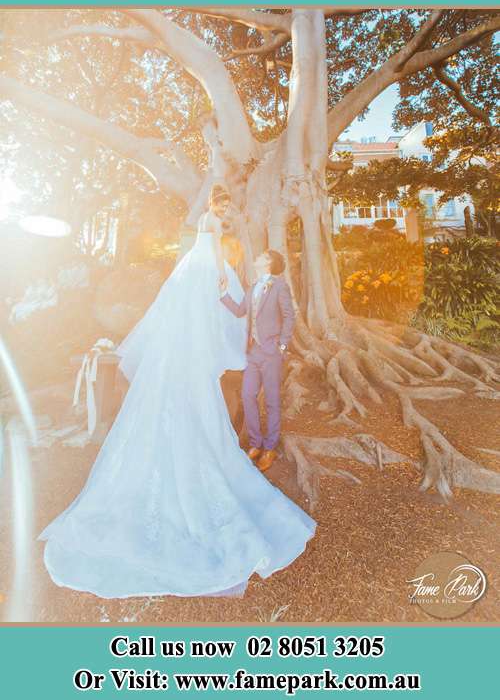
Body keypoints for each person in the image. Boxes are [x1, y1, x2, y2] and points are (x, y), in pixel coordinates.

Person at [37, 186, 316, 599]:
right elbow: (217, 259)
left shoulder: (196, 256)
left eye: (225, 206)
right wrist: (223, 273)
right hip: (204, 284)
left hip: (197, 302)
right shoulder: (209, 234)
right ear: (214, 206)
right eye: (221, 205)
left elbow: (211, 274)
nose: (224, 210)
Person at [220, 250, 293, 473]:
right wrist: (222, 294)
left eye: (261, 256)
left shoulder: (280, 286)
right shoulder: (252, 286)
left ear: (269, 262)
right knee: (247, 395)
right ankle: (255, 443)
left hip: (271, 352)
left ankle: (270, 448)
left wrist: (281, 345)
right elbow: (240, 311)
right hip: (252, 353)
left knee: (271, 401)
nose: (257, 257)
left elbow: (289, 315)